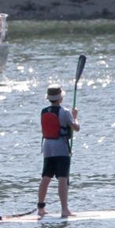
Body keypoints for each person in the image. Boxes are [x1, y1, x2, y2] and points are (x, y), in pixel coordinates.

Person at [37, 85, 80, 218]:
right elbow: (76, 128)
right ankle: (64, 209)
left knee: (46, 177)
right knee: (63, 178)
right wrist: (75, 117)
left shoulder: (44, 111)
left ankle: (41, 208)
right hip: (61, 148)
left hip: (47, 148)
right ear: (60, 97)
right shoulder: (65, 112)